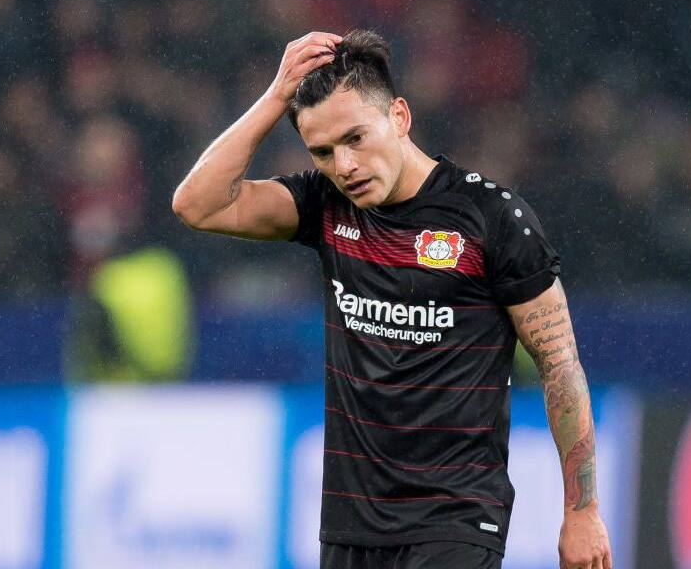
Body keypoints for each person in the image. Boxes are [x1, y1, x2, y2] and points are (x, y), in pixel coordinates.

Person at [172, 29, 612, 569]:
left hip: (456, 519)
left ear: (399, 117)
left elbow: (559, 364)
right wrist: (275, 97)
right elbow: (198, 204)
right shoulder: (325, 205)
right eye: (324, 151)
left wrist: (582, 511)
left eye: (356, 138)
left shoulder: (493, 218)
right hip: (350, 523)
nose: (345, 166)